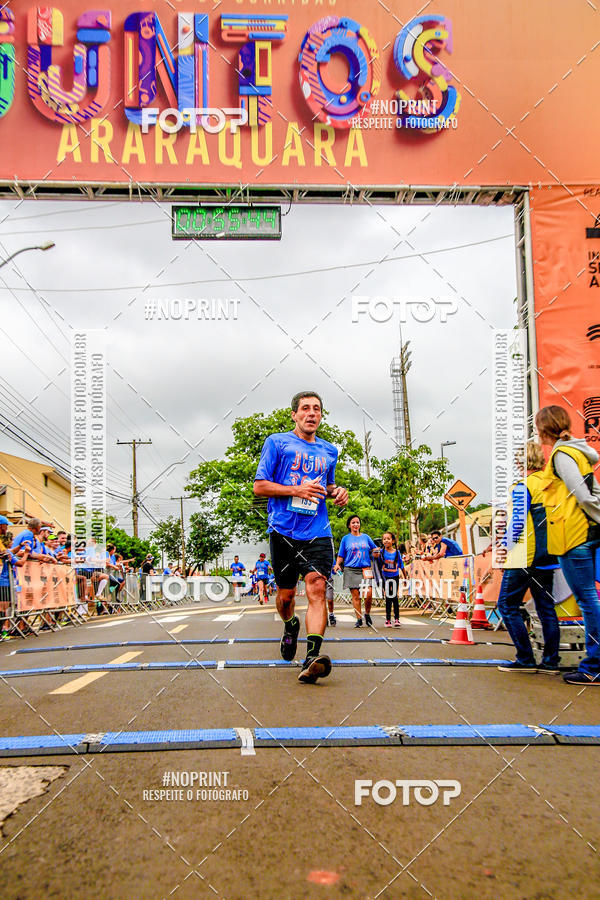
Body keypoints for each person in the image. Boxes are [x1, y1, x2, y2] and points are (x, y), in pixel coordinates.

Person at [254, 391, 348, 684]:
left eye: (317, 409)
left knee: (317, 587)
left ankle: (312, 657)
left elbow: (328, 486)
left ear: (321, 415)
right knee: (285, 598)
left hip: (317, 531)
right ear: (294, 414)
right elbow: (259, 487)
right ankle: (290, 624)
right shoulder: (277, 443)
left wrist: (337, 492)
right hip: (283, 531)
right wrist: (295, 490)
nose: (311, 413)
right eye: (305, 409)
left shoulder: (329, 450)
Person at [536, 405, 600, 685]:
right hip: (583, 532)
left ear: (543, 430)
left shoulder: (562, 455)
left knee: (588, 601)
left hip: (575, 535)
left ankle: (594, 665)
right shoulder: (576, 451)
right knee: (590, 599)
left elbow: (583, 495)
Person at [487, 442, 561, 674]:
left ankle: (525, 658)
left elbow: (517, 522)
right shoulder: (551, 486)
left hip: (522, 556)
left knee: (506, 605)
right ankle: (550, 661)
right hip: (548, 556)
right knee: (546, 608)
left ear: (521, 462)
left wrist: (504, 547)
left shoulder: (522, 486)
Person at [334, 515, 377, 628]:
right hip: (351, 569)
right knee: (356, 596)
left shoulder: (366, 537)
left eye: (357, 522)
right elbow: (341, 555)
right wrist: (338, 564)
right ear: (349, 525)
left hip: (365, 569)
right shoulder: (345, 539)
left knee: (368, 593)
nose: (356, 525)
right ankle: (359, 618)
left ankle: (367, 614)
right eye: (353, 523)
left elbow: (374, 549)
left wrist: (377, 552)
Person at [374, 531, 405, 627]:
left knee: (394, 597)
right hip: (385, 577)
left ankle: (396, 619)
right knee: (388, 596)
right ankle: (388, 619)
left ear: (393, 541)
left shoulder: (397, 552)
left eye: (388, 538)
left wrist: (405, 577)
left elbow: (402, 566)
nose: (386, 540)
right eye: (384, 539)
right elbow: (376, 563)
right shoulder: (381, 552)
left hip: (395, 576)